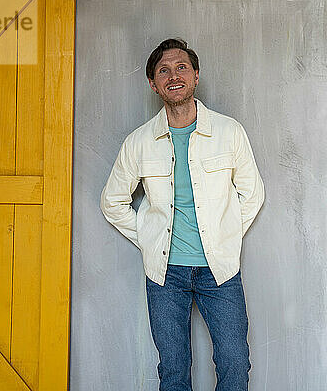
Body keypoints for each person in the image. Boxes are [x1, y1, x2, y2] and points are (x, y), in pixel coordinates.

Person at [100, 38, 264, 391]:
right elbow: (112, 201)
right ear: (153, 84)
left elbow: (253, 193)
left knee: (236, 364)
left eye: (181, 67)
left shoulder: (228, 131)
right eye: (163, 70)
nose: (173, 75)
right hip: (164, 274)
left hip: (219, 269)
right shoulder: (140, 142)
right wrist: (148, 235)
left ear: (195, 76)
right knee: (173, 372)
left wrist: (225, 235)